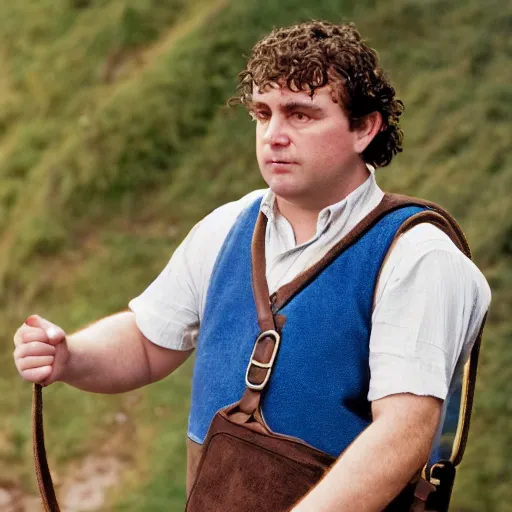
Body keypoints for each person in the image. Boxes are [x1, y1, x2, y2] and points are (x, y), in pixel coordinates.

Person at [13, 20, 490, 511]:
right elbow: (146, 341)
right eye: (264, 113)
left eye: (301, 115)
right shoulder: (226, 228)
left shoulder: (418, 256)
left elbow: (404, 432)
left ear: (365, 128)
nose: (274, 136)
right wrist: (71, 357)